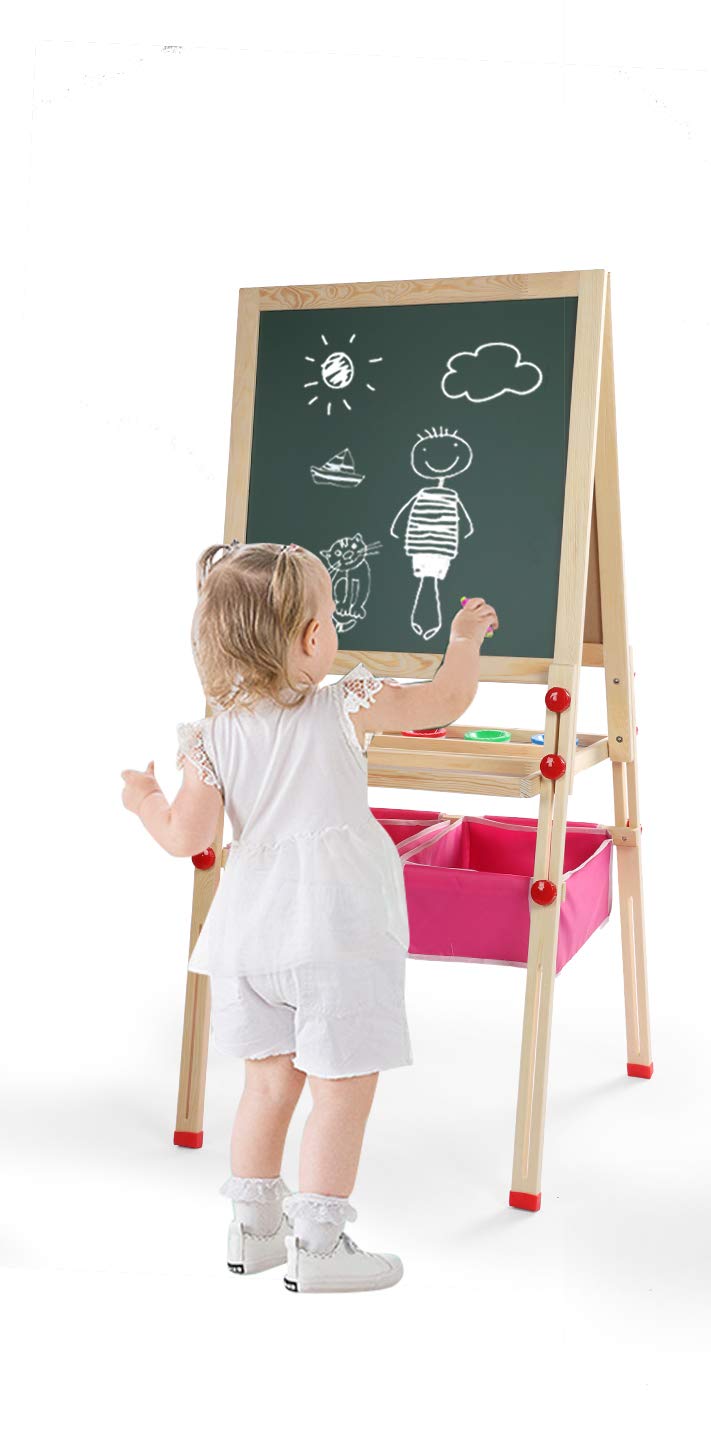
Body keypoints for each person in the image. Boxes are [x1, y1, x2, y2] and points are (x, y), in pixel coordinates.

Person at [120, 541, 497, 1293]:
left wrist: (144, 799)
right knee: (341, 1088)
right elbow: (444, 702)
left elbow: (187, 838)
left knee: (266, 1087)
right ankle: (320, 1248)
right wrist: (463, 641)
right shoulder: (344, 703)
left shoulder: (209, 737)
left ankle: (254, 1230)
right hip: (336, 931)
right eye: (330, 617)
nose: (336, 629)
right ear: (311, 638)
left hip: (250, 936)